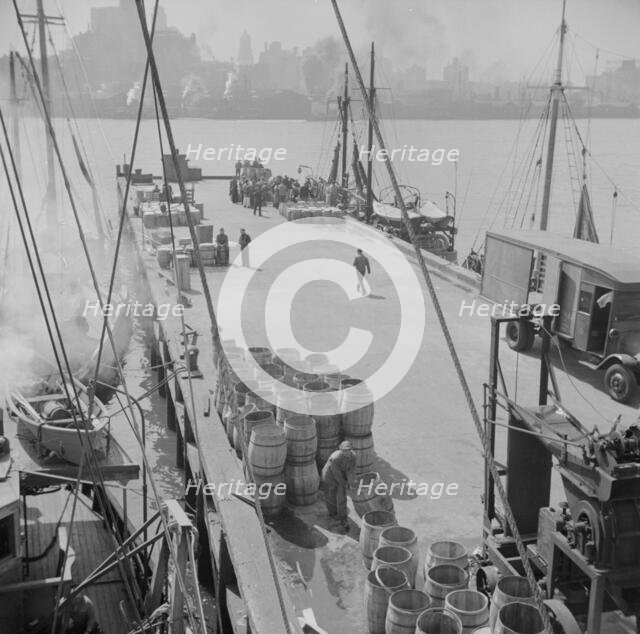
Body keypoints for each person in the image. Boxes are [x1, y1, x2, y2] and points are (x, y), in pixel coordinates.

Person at [321, 440, 356, 531]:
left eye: (348, 450)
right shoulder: (335, 458)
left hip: (341, 475)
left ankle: (342, 517)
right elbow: (337, 475)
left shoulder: (353, 456)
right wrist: (345, 484)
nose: (346, 452)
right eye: (344, 450)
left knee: (342, 497)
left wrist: (351, 483)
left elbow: (351, 471)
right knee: (331, 497)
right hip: (329, 477)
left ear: (351, 449)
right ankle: (333, 514)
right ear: (340, 450)